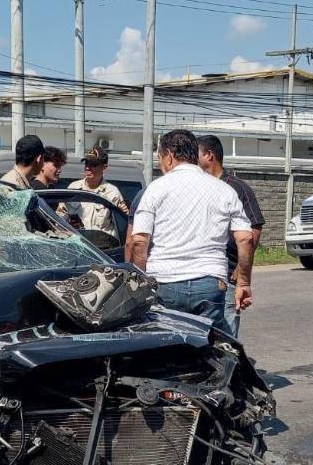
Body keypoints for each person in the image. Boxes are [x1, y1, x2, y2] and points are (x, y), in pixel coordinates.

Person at [130, 129, 253, 334]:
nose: (160, 164)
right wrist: (244, 283)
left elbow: (138, 241)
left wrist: (139, 282)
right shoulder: (224, 190)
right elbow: (246, 238)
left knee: (166, 343)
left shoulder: (155, 189)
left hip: (164, 282)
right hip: (210, 283)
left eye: (159, 158)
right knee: (212, 343)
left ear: (169, 156)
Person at [197, 135, 264, 336]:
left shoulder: (237, 188)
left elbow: (254, 227)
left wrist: (241, 269)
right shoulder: (197, 186)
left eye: (195, 154)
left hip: (227, 275)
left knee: (225, 335)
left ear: (209, 155)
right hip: (200, 272)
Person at [66, 146, 129, 233]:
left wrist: (123, 214)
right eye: (86, 164)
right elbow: (59, 216)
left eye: (93, 164)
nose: (88, 168)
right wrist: (68, 222)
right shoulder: (73, 188)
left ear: (104, 167)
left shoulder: (112, 192)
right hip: (76, 240)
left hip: (102, 241)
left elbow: (122, 225)